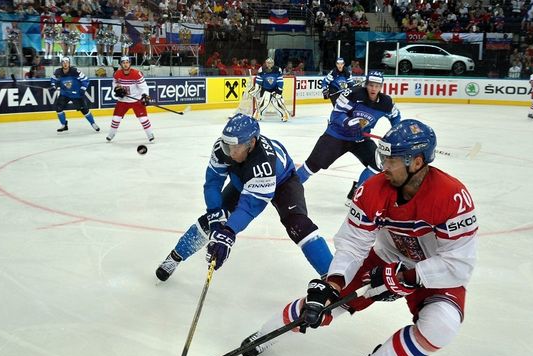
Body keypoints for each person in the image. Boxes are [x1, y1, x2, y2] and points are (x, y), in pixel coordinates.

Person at [240, 119, 478, 356]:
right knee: (323, 305)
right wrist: (334, 283)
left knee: (442, 327)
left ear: (416, 162)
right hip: (384, 259)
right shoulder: (373, 189)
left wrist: (409, 277)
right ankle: (267, 332)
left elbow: (459, 264)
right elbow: (353, 244)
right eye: (384, 157)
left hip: (435, 273)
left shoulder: (452, 197)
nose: (384, 165)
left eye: (391, 159)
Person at [155, 114, 333, 282]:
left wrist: (228, 232)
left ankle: (333, 278)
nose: (229, 152)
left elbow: (249, 206)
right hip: (244, 180)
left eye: (235, 148)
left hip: (283, 182)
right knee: (209, 221)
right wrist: (216, 219)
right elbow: (213, 183)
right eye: (227, 145)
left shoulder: (264, 163)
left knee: (298, 225)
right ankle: (175, 257)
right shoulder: (222, 150)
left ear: (251, 143)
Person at [296, 70, 401, 202]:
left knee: (379, 164)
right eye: (371, 85)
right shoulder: (353, 94)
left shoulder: (386, 102)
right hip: (336, 136)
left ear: (381, 87)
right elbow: (336, 114)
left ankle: (356, 193)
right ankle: (287, 188)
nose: (374, 89)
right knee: (312, 166)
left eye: (377, 86)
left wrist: (395, 133)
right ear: (366, 84)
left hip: (360, 139)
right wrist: (348, 122)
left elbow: (395, 117)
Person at [107, 55, 154, 143]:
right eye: (123, 63)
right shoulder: (117, 74)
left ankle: (150, 134)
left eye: (127, 62)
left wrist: (145, 96)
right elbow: (115, 83)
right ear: (121, 64)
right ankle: (111, 134)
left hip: (136, 99)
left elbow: (144, 87)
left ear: (130, 63)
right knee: (116, 118)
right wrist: (117, 89)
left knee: (143, 119)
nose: (125, 64)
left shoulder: (136, 73)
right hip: (123, 100)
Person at [50, 57, 100, 133]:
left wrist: (83, 88)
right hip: (65, 94)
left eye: (67, 62)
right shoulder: (57, 72)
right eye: (63, 62)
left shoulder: (75, 71)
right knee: (58, 108)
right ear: (61, 64)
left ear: (69, 63)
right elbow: (53, 80)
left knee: (84, 110)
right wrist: (53, 86)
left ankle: (93, 123)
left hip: (77, 94)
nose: (65, 64)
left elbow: (85, 79)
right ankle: (64, 125)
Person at [250, 57, 290, 122]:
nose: (269, 64)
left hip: (275, 90)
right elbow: (258, 81)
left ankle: (284, 115)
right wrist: (255, 90)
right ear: (266, 63)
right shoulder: (261, 70)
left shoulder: (277, 70)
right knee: (263, 104)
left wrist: (279, 91)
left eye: (271, 63)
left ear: (273, 63)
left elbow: (280, 81)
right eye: (268, 63)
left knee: (278, 104)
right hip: (265, 90)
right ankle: (258, 115)